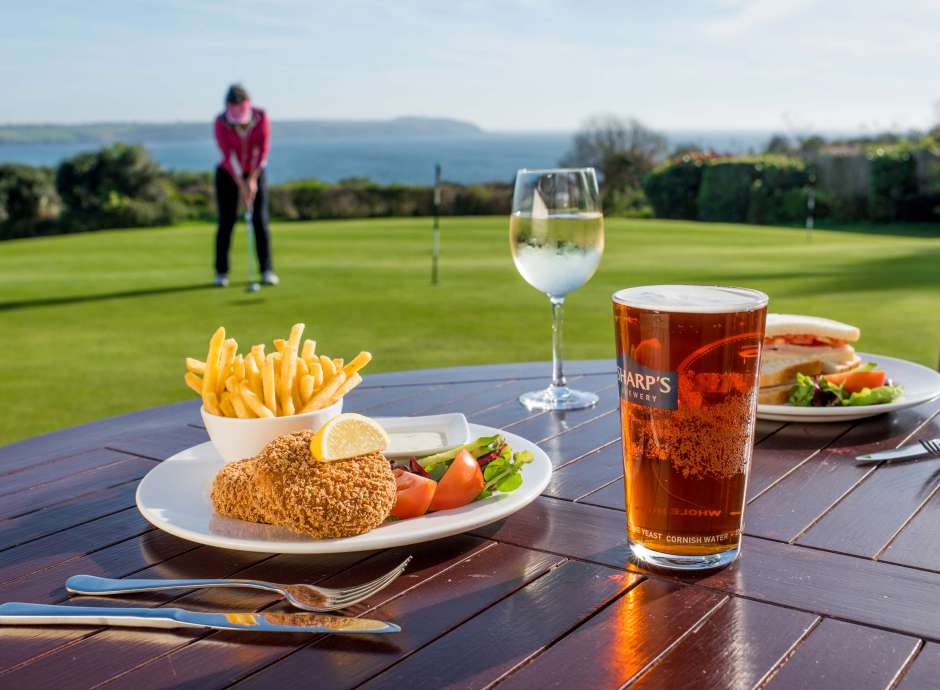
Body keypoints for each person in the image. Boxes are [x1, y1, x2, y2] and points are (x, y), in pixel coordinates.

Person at [213, 83, 278, 287]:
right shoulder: (220, 122)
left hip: (255, 170)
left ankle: (267, 270)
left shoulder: (261, 118)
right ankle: (221, 272)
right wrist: (242, 185)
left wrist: (253, 180)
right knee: (226, 222)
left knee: (260, 220)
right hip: (228, 173)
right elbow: (229, 156)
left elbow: (263, 150)